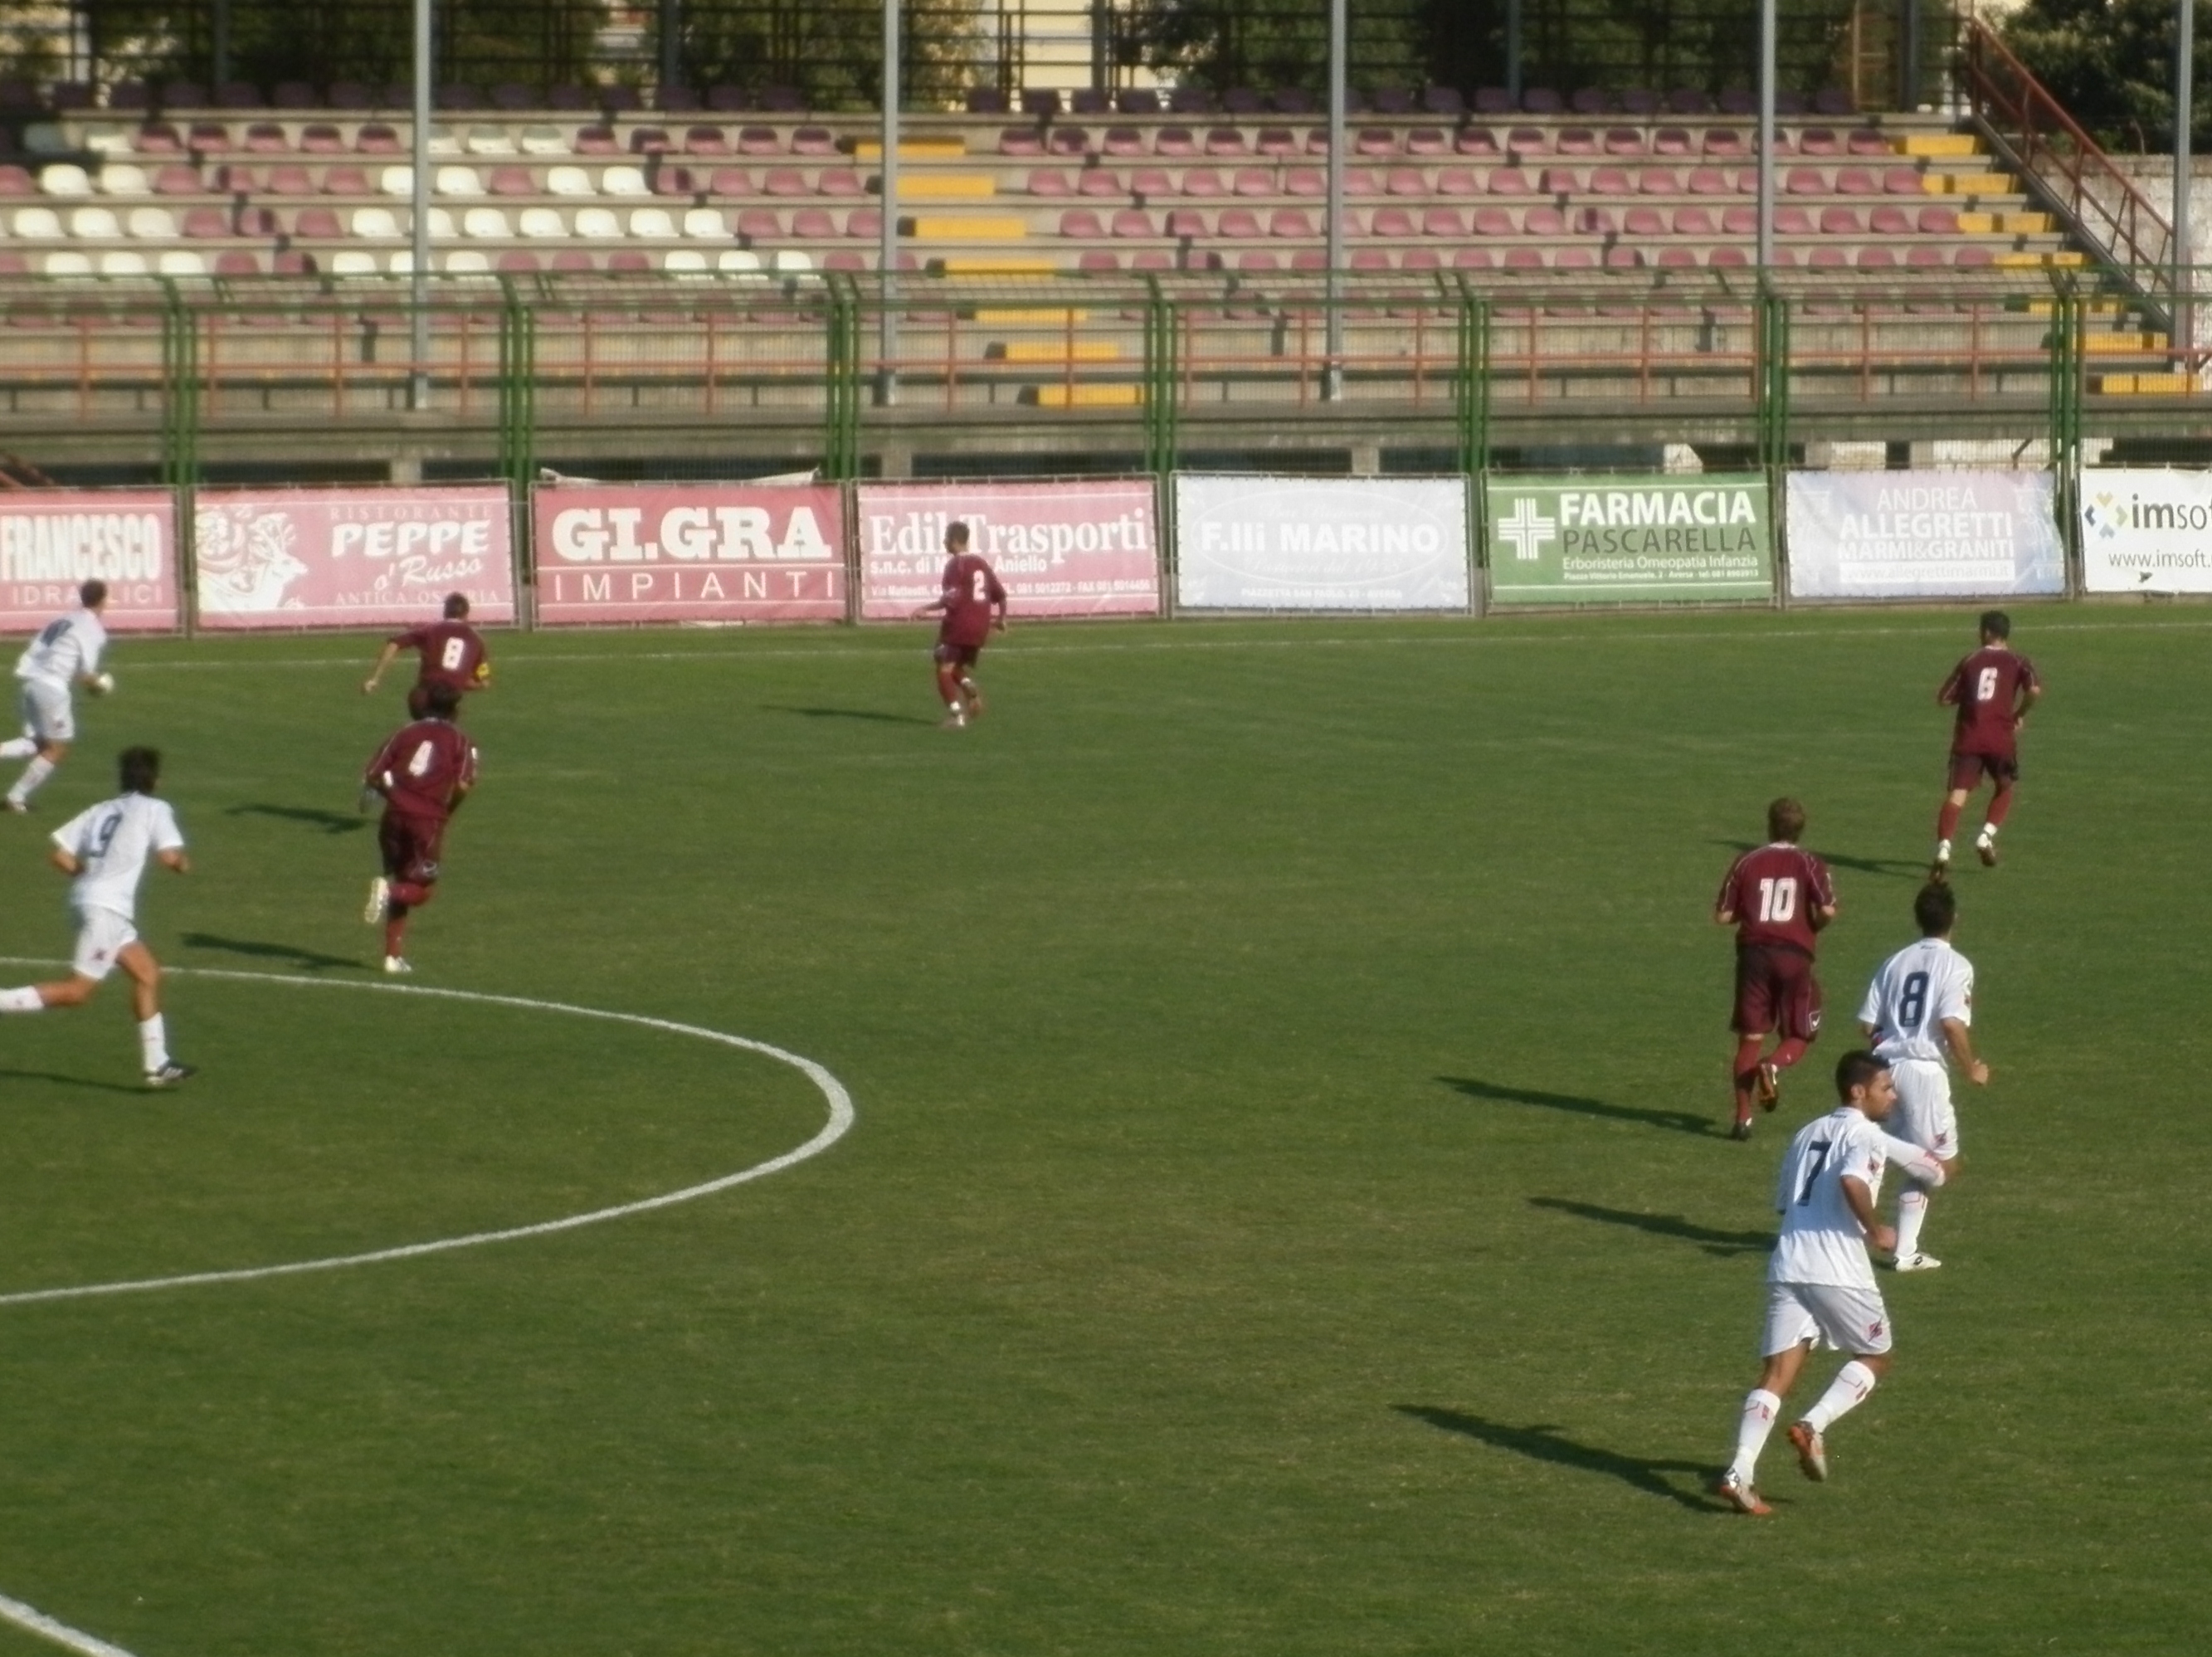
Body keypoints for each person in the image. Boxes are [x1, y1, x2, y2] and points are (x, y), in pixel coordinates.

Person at [1715, 1051, 1949, 1517]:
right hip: (1838, 1269)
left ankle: (1739, 1472)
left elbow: (1785, 1203)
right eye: (1886, 1087)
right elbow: (1851, 1182)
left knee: (1777, 1375)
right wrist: (1875, 1228)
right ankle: (1813, 1425)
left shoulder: (1806, 1133)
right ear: (1859, 1091)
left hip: (1788, 1263)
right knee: (1878, 1354)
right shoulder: (1865, 1135)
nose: (1893, 1095)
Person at [0, 745, 193, 1086]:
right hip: (107, 909)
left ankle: (157, 1064)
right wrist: (182, 864)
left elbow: (60, 857)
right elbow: (169, 858)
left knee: (147, 973)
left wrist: (91, 879)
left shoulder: (101, 809)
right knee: (77, 992)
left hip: (87, 901)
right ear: (156, 780)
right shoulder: (155, 809)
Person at [1857, 881, 1988, 1272]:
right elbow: (1950, 1023)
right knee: (1942, 1166)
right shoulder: (1957, 965)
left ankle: (1900, 1250)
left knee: (1900, 1160)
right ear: (1955, 919)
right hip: (1924, 1073)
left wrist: (1891, 1045)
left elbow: (1867, 1024)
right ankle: (1899, 1245)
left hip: (1885, 1071)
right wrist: (1972, 1068)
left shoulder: (1895, 962)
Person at [1713, 798, 1839, 1140]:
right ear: (1801, 829)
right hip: (1794, 956)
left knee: (1750, 1039)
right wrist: (1812, 927)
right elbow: (1828, 910)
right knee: (1799, 1031)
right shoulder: (1810, 862)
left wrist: (1750, 913)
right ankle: (1775, 1064)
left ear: (1769, 826)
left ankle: (1742, 1119)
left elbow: (1723, 916)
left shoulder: (1747, 861)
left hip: (1753, 955)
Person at [361, 680, 478, 976]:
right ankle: (388, 892)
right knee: (422, 890)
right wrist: (448, 810)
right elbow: (464, 784)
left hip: (393, 817)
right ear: (455, 710)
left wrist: (393, 794)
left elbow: (373, 775)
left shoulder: (404, 733)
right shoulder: (460, 741)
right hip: (426, 821)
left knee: (404, 879)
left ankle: (392, 957)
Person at [1932, 610, 2040, 876]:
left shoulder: (1970, 660)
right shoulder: (2018, 661)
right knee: (2005, 786)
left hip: (1968, 738)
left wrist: (1971, 698)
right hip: (2000, 739)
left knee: (1958, 794)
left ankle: (1944, 849)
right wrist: (2019, 715)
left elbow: (1944, 699)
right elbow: (2034, 690)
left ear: (1989, 632)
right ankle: (1986, 835)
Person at [2, 579, 113, 813]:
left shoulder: (63, 618)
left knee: (40, 743)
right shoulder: (92, 629)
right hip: (51, 688)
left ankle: (15, 797)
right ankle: (15, 798)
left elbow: (40, 649)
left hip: (31, 682)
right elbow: (86, 674)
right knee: (58, 748)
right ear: (103, 600)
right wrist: (100, 686)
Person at [911, 521, 1006, 729]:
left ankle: (956, 716)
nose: (944, 542)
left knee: (943, 668)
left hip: (959, 624)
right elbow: (1000, 595)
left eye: (946, 538)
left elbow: (950, 598)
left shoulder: (955, 566)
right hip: (980, 627)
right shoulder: (981, 563)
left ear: (954, 541)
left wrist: (925, 609)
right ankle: (967, 684)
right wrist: (1001, 619)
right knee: (953, 664)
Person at [362, 592, 492, 719]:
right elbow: (483, 682)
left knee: (421, 731)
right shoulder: (477, 640)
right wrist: (458, 681)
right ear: (466, 614)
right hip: (449, 703)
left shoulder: (430, 630)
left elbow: (394, 644)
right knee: (443, 735)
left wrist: (375, 678)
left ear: (445, 612)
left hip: (425, 697)